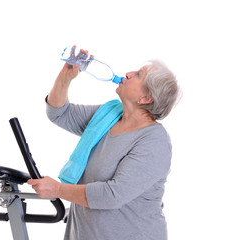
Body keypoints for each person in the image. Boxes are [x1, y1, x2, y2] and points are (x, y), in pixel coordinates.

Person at [27, 50, 180, 240]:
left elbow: (112, 195)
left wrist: (58, 190)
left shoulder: (154, 141)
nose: (128, 74)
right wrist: (65, 77)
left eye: (138, 75)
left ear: (146, 99)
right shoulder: (109, 114)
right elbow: (59, 114)